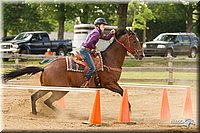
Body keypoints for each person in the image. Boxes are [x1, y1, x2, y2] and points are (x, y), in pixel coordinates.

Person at [80, 18, 115, 88]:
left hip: (87, 50)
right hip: (85, 51)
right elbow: (89, 43)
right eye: (103, 25)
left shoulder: (98, 32)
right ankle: (85, 81)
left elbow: (106, 38)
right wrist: (94, 47)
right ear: (98, 25)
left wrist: (111, 34)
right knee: (92, 67)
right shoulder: (96, 33)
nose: (104, 27)